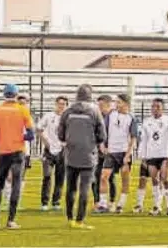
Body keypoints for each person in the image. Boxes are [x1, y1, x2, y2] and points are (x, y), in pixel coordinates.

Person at [57, 84, 106, 229]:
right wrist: (92, 142)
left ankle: (70, 219)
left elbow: (60, 134)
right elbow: (102, 135)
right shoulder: (94, 112)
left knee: (71, 187)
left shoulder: (68, 112)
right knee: (84, 188)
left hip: (71, 154)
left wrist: (70, 140)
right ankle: (80, 220)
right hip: (88, 155)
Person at [0, 83, 35, 229]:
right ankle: (11, 221)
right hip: (18, 151)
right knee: (16, 184)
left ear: (4, 94)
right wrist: (19, 136)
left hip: (3, 152)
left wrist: (2, 134)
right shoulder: (23, 110)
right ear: (16, 94)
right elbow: (31, 135)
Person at [97, 94, 138, 213]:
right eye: (116, 102)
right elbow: (103, 130)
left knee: (125, 178)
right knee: (104, 177)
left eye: (119, 102)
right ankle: (103, 204)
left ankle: (121, 204)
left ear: (126, 104)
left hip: (124, 152)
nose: (116, 105)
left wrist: (128, 154)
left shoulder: (132, 118)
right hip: (111, 152)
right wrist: (102, 144)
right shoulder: (111, 114)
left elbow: (133, 138)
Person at [134, 98, 168, 215]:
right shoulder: (147, 121)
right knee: (154, 180)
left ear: (163, 108)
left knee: (165, 179)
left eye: (158, 106)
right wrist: (142, 155)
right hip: (151, 155)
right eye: (153, 106)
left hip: (165, 155)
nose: (155, 109)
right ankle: (157, 206)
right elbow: (144, 139)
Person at [37, 95, 68, 211]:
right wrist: (45, 142)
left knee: (60, 177)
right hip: (49, 151)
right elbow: (38, 128)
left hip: (62, 151)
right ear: (56, 104)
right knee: (47, 175)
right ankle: (44, 202)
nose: (61, 106)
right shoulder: (49, 116)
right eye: (59, 104)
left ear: (66, 106)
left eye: (63, 104)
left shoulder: (68, 118)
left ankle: (56, 202)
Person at [92, 95, 117, 209]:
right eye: (98, 105)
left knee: (110, 178)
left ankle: (111, 202)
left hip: (111, 152)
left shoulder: (115, 117)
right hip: (98, 152)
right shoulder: (96, 117)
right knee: (96, 176)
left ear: (108, 104)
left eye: (101, 105)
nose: (99, 107)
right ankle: (97, 202)